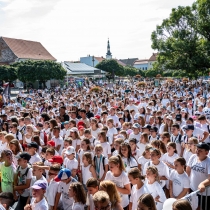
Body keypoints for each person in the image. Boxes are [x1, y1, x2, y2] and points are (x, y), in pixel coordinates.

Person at [186, 142, 210, 209]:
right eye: (197, 149)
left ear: (206, 153)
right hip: (193, 189)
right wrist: (187, 184)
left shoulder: (209, 162)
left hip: (204, 193)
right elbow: (188, 170)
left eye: (200, 150)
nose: (197, 151)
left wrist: (202, 184)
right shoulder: (193, 157)